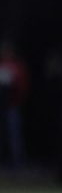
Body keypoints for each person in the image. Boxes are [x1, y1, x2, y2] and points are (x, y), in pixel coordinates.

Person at [0, 40, 29, 169]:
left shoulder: (17, 67)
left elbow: (22, 86)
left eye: (8, 51)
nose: (6, 53)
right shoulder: (1, 66)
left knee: (14, 135)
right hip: (1, 107)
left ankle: (17, 162)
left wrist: (16, 98)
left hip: (12, 106)